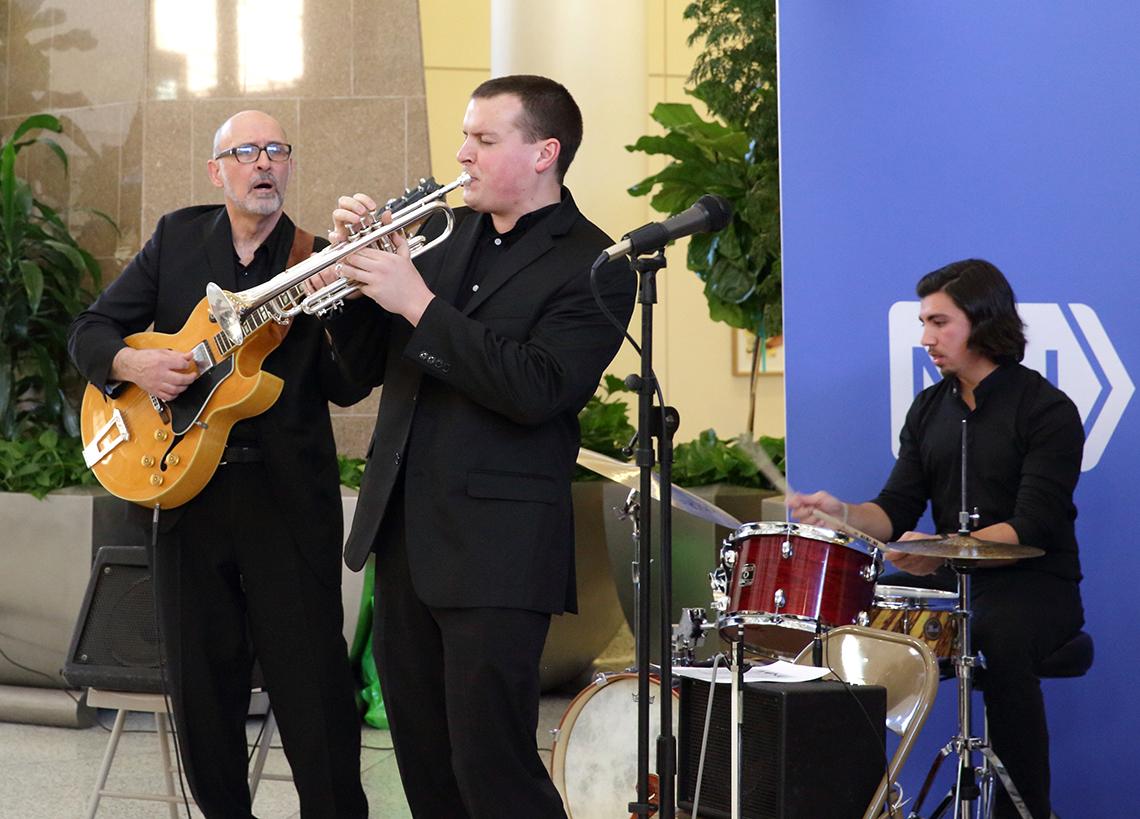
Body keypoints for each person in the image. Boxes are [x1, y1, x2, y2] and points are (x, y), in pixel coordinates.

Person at [318, 74, 636, 817]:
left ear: (542, 153)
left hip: (499, 550)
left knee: (492, 769)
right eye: (464, 136)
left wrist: (417, 302)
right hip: (405, 540)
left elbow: (538, 387)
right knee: (424, 767)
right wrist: (355, 274)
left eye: (484, 140)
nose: (461, 154)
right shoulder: (443, 238)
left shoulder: (596, 264)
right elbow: (355, 374)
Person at [68, 110, 370, 818]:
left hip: (287, 500)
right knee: (202, 692)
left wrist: (351, 304)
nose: (263, 163)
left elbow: (351, 384)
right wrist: (133, 362)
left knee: (314, 692)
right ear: (218, 170)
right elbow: (90, 331)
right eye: (246, 152)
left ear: (288, 167)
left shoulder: (315, 256)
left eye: (276, 151)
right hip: (185, 493)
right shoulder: (177, 237)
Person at [789, 259, 1084, 819]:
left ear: (983, 321)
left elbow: (1034, 522)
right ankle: (858, 802)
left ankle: (1025, 810)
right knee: (853, 619)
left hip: (1036, 585)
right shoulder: (929, 409)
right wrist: (843, 512)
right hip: (950, 581)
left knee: (998, 634)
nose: (926, 338)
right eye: (923, 323)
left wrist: (937, 547)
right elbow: (895, 507)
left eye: (939, 323)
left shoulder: (1047, 410)